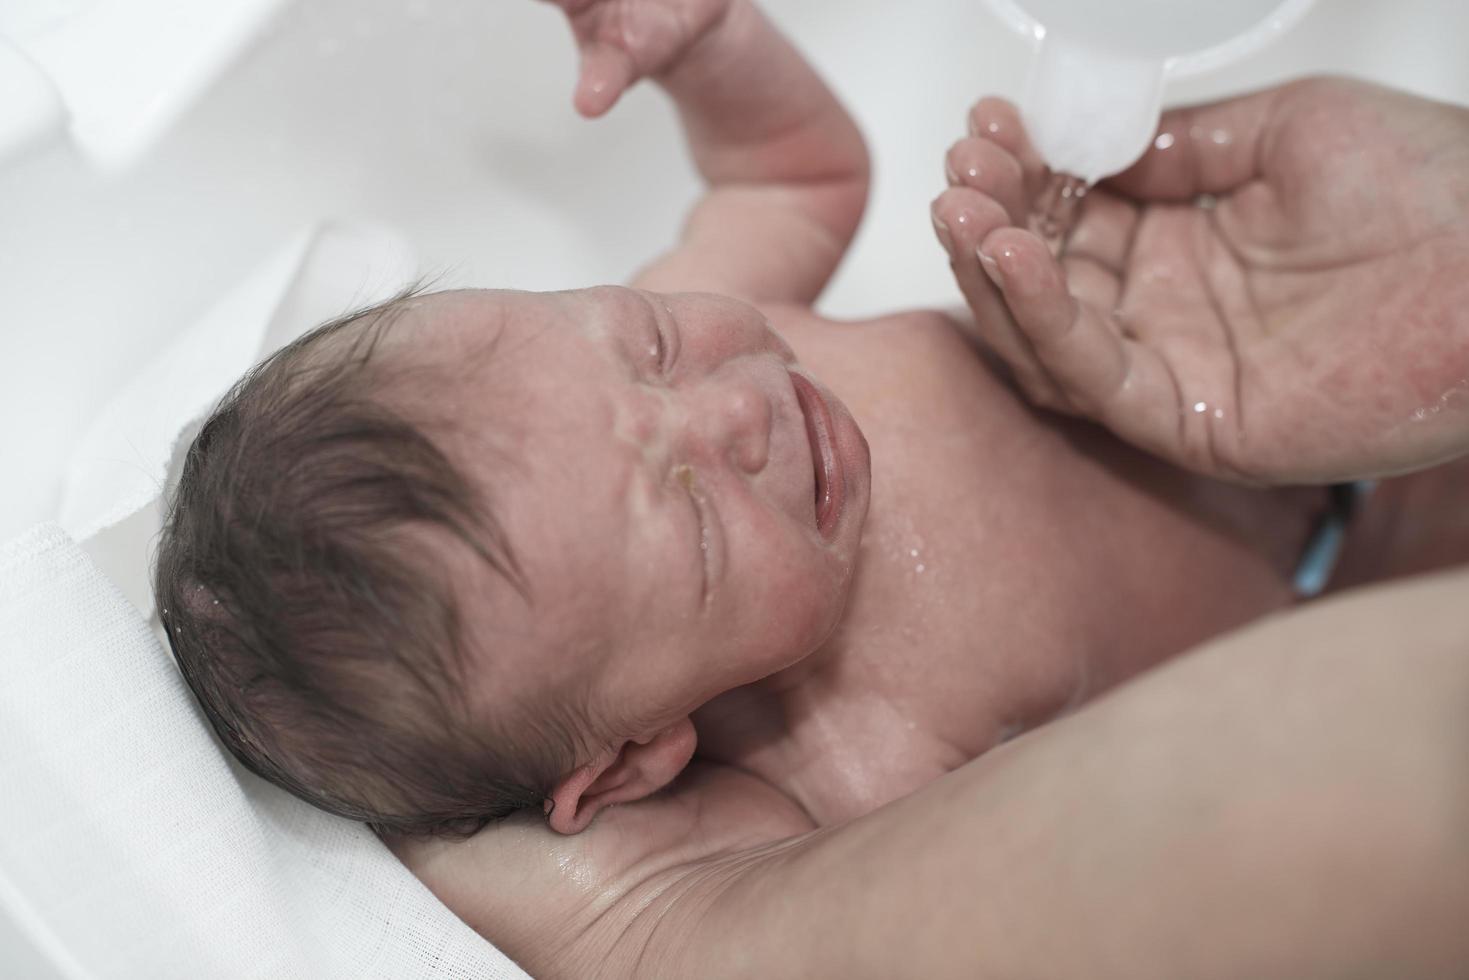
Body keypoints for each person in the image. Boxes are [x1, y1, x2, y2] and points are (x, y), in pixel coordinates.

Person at [153, 0, 1469, 974]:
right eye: (691, 517)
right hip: (1344, 603)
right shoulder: (850, 779)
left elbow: (788, 173)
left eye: (649, 342)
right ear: (631, 759)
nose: (736, 403)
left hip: (1301, 387)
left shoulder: (698, 334)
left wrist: (713, 47)